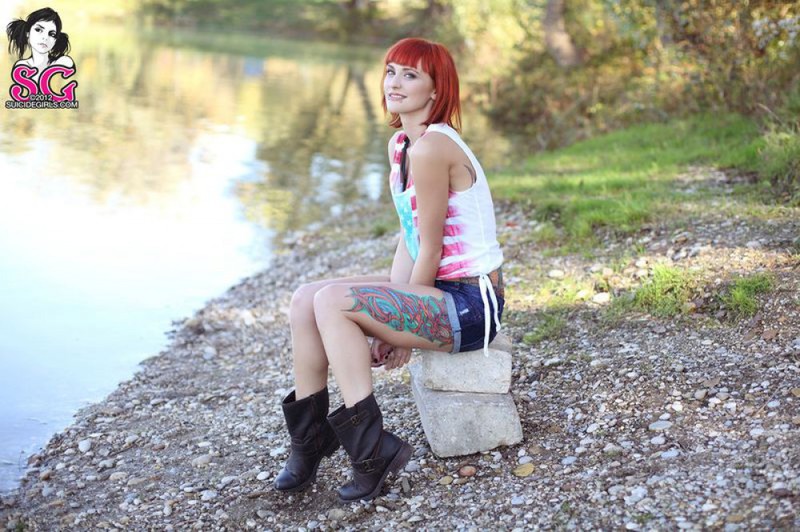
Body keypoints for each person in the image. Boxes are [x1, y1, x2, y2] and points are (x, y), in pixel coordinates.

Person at [274, 37, 504, 503]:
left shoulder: (433, 148)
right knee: (305, 299)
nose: (394, 83)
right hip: (436, 288)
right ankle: (309, 441)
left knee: (333, 303)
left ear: (436, 90)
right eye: (391, 71)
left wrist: (401, 326)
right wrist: (394, 308)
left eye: (410, 75)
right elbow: (410, 235)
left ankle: (371, 452)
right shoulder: (401, 145)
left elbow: (433, 247)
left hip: (470, 303)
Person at [6, 7, 73, 84]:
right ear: (27, 33)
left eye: (52, 34)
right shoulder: (22, 66)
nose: (45, 37)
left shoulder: (64, 62)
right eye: (38, 30)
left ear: (55, 40)